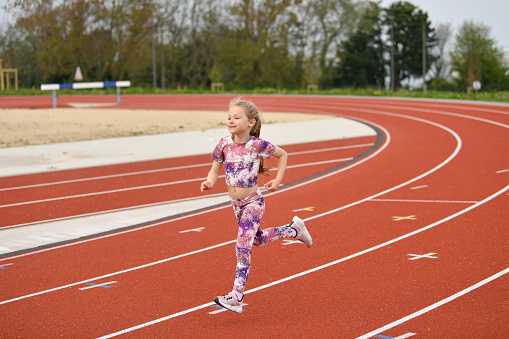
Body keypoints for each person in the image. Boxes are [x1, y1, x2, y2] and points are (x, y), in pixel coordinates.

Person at [200, 97, 312, 314]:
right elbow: (214, 168)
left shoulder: (257, 145)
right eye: (229, 117)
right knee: (257, 239)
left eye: (236, 117)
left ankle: (237, 295)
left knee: (243, 244)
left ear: (251, 122)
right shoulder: (223, 144)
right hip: (236, 205)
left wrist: (278, 180)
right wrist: (210, 182)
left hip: (253, 202)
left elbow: (283, 154)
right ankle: (293, 230)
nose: (231, 120)